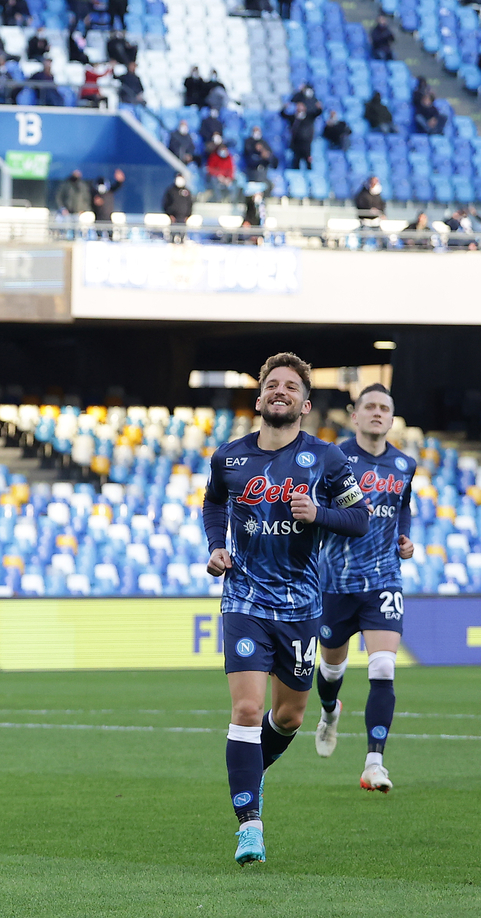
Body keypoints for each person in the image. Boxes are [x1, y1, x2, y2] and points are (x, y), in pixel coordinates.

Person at [202, 352, 368, 865]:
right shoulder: (229, 458)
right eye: (272, 384)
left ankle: (251, 776)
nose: (280, 391)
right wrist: (215, 545)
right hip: (244, 598)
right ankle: (249, 825)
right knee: (247, 710)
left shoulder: (328, 458)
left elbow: (359, 519)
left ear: (305, 403)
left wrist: (319, 512)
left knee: (289, 715)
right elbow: (212, 503)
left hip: (300, 605)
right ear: (259, 398)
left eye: (290, 387)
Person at [314, 384, 414, 793]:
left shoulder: (405, 464)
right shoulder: (332, 458)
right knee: (331, 668)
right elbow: (314, 510)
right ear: (354, 415)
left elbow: (403, 506)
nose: (377, 413)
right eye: (369, 407)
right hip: (335, 582)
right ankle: (329, 711)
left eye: (384, 408)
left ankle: (374, 763)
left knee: (384, 667)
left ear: (391, 419)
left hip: (383, 580)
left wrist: (404, 538)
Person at [282, 101, 317, 170]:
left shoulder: (309, 117)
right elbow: (283, 115)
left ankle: (310, 172)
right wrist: (284, 107)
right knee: (296, 159)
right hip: (296, 142)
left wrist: (318, 107)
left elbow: (317, 113)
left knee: (307, 159)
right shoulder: (294, 118)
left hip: (306, 142)